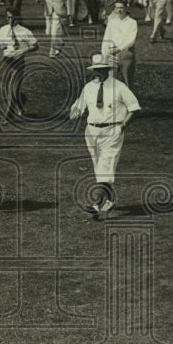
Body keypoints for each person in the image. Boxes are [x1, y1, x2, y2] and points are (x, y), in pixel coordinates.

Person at [68, 54, 140, 220]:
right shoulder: (89, 88)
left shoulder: (119, 87)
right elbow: (77, 107)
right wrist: (75, 112)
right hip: (91, 132)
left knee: (104, 169)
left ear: (108, 70)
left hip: (112, 132)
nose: (97, 73)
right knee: (99, 169)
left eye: (100, 70)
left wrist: (122, 127)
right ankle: (109, 200)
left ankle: (95, 204)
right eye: (95, 70)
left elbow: (134, 108)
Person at [0, 9, 38, 121]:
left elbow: (36, 46)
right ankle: (21, 101)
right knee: (6, 89)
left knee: (12, 89)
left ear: (17, 17)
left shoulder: (25, 31)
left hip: (18, 62)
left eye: (12, 17)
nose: (10, 20)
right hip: (6, 61)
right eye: (8, 17)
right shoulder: (3, 29)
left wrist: (23, 51)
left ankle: (8, 117)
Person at [101, 0, 138, 87]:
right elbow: (106, 37)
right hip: (111, 54)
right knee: (110, 81)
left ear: (126, 8)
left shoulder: (132, 22)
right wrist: (104, 53)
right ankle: (111, 100)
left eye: (121, 8)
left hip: (126, 54)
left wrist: (119, 49)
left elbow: (131, 40)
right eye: (117, 8)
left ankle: (129, 99)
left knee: (127, 82)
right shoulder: (112, 21)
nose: (119, 10)